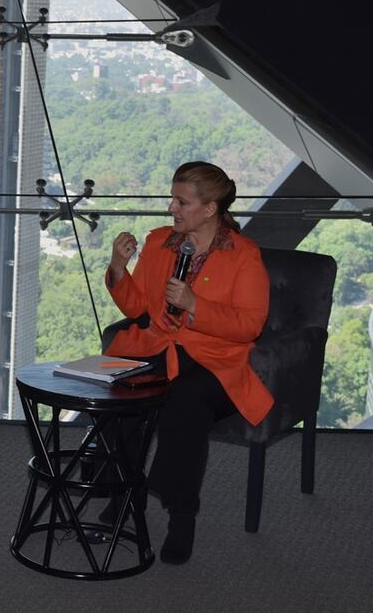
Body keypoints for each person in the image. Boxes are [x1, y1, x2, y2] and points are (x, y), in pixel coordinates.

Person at [103, 161, 271, 564]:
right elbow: (137, 307)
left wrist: (196, 305)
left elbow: (249, 326)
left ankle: (182, 514)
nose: (171, 209)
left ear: (210, 208)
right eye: (172, 200)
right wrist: (118, 267)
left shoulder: (244, 255)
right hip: (160, 347)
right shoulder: (161, 242)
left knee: (184, 400)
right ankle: (125, 490)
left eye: (182, 202)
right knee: (121, 390)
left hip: (216, 361)